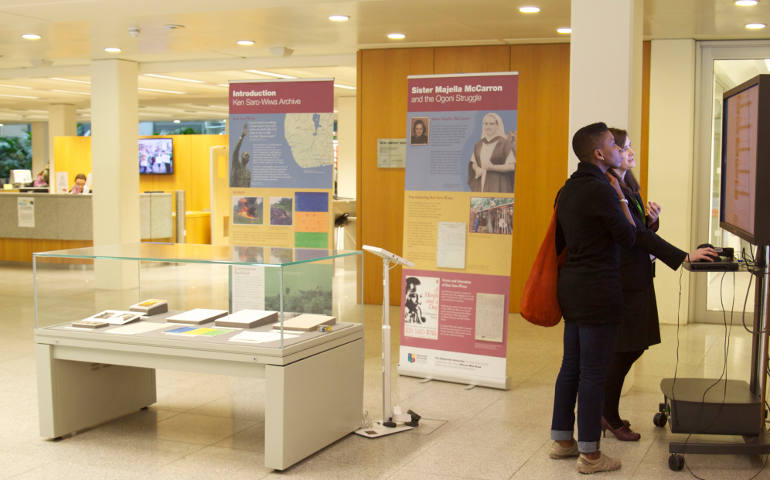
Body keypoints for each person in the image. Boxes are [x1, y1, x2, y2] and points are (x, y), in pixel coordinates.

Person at [601, 128, 717, 441]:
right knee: (625, 347)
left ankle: (605, 409)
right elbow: (633, 236)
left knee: (632, 345)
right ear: (608, 153)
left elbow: (639, 230)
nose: (631, 153)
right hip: (625, 278)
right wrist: (683, 256)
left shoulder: (628, 187)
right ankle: (606, 413)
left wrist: (652, 221)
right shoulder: (611, 188)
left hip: (637, 275)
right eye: (625, 148)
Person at [549, 122, 636, 474]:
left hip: (572, 287)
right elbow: (629, 237)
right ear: (600, 153)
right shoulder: (602, 190)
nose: (620, 149)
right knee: (594, 373)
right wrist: (619, 195)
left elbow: (560, 243)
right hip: (598, 289)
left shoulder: (567, 189)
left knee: (571, 365)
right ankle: (591, 455)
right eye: (614, 144)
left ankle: (562, 440)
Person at [467, 113, 515, 193]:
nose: (488, 127)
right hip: (481, 183)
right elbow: (474, 162)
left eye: (491, 124)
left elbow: (512, 166)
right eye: (486, 124)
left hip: (499, 185)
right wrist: (477, 169)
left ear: (497, 125)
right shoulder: (479, 144)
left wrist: (492, 167)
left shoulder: (505, 144)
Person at [230, 123, 251, 187]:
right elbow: (236, 151)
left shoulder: (248, 172)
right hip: (234, 194)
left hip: (244, 195)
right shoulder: (236, 165)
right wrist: (242, 136)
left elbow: (248, 186)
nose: (247, 156)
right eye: (245, 155)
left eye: (248, 156)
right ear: (241, 157)